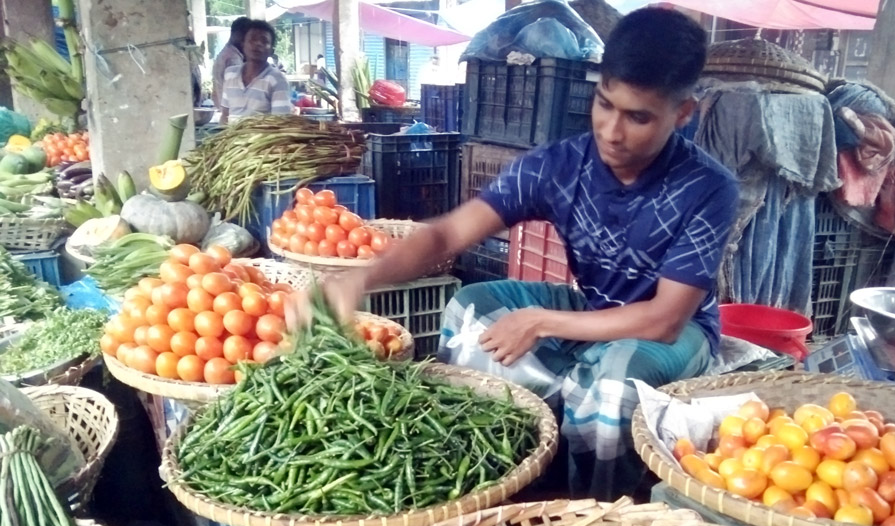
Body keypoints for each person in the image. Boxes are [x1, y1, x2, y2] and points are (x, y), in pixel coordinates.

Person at [288, 7, 738, 500]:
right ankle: (495, 472)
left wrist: (543, 321)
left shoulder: (707, 187)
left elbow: (665, 319)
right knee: (469, 309)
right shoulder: (559, 166)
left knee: (610, 382)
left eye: (639, 117)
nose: (611, 131)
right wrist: (359, 280)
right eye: (605, 104)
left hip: (680, 331)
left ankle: (594, 511)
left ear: (683, 113)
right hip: (594, 308)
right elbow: (444, 236)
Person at [219, 20, 293, 123]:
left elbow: (280, 124)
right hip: (231, 138)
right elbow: (225, 115)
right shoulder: (230, 74)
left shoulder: (277, 80)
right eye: (252, 39)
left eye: (264, 41)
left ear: (271, 51)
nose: (258, 44)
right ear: (243, 44)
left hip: (262, 138)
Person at [211, 17, 250, 108]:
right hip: (234, 112)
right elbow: (240, 92)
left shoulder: (225, 54)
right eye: (247, 37)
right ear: (238, 35)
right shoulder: (233, 60)